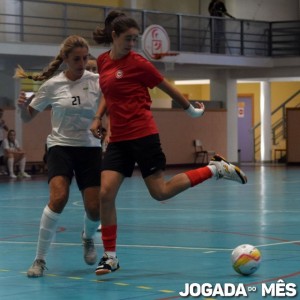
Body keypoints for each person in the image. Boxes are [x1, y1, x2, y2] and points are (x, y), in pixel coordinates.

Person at [90, 10, 247, 276]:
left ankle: (213, 169)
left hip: (143, 135)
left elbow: (165, 86)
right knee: (105, 194)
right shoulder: (103, 61)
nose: (131, 44)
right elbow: (108, 91)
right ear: (114, 36)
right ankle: (110, 256)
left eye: (135, 39)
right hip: (118, 141)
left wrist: (190, 110)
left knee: (160, 192)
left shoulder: (138, 63)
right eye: (128, 38)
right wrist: (98, 118)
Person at [15, 35, 103, 277]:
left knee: (95, 209)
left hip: (90, 148)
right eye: (77, 58)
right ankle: (40, 259)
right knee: (58, 198)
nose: (82, 63)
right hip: (60, 147)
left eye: (85, 58)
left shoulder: (96, 81)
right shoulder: (52, 85)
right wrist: (23, 108)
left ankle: (87, 237)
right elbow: (27, 117)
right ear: (65, 59)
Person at [0, 108, 9, 175]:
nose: (1, 114)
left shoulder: (1, 121)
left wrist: (3, 124)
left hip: (1, 139)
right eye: (0, 113)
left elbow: (7, 129)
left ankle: (2, 170)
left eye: (2, 113)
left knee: (1, 155)